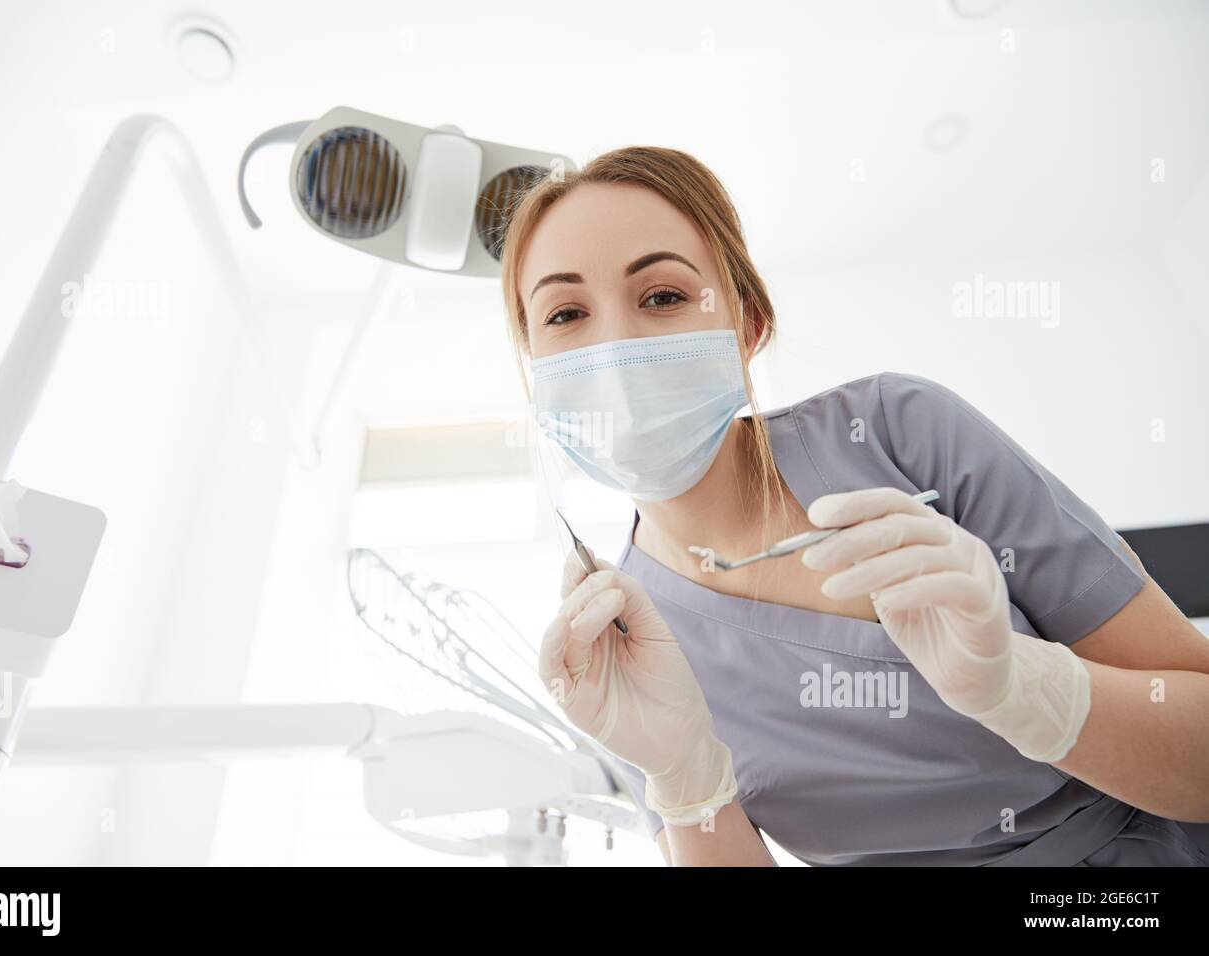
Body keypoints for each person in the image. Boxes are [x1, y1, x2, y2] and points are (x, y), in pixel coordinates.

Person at [497, 146, 1209, 866]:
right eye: (565, 314)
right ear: (536, 371)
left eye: (663, 297)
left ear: (746, 327)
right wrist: (686, 784)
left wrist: (1019, 689)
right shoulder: (619, 647)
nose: (615, 344)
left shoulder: (899, 434)